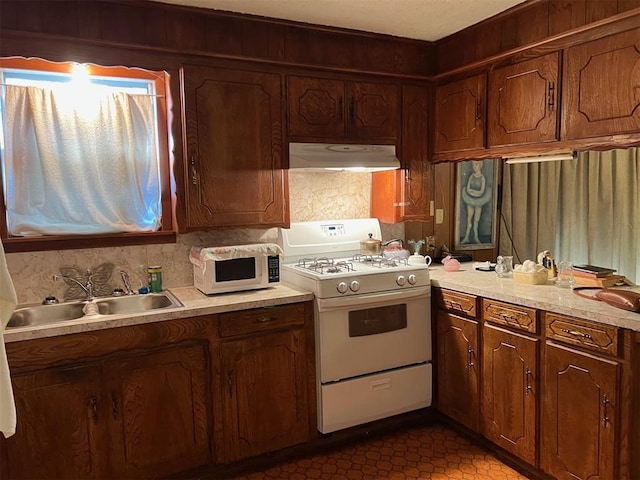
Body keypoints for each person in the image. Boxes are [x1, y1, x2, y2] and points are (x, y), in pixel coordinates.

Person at [461, 160, 492, 244]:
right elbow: (467, 189)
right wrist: (473, 192)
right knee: (469, 219)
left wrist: (473, 191)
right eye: (473, 165)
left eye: (476, 165)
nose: (474, 167)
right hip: (470, 199)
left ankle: (475, 237)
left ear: (480, 166)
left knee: (476, 220)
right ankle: (467, 236)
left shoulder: (482, 178)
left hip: (479, 200)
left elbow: (481, 192)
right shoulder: (471, 176)